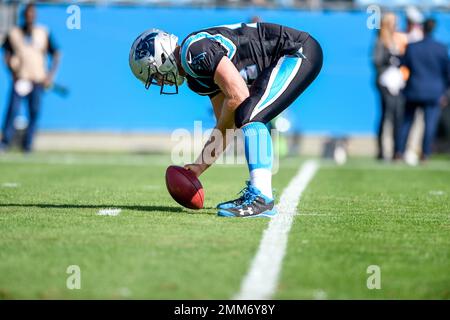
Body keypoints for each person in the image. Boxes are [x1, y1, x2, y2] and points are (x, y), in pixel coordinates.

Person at [129, 22, 323, 217]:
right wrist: (198, 166)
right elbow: (226, 125)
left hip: (296, 52)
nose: (160, 81)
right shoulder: (195, 78)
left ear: (161, 56)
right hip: (289, 55)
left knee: (249, 113)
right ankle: (260, 195)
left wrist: (231, 121)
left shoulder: (193, 51)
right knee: (247, 113)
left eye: (155, 75)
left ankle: (261, 198)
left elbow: (238, 96)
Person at [0, 3, 60, 153]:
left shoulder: (43, 32)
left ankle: (28, 145)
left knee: (34, 113)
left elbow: (56, 53)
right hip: (20, 79)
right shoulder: (14, 33)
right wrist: (12, 72)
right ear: (23, 16)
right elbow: (6, 54)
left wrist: (49, 75)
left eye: (32, 14)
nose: (30, 17)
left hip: (37, 81)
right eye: (27, 14)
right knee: (12, 111)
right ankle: (5, 142)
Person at [397, 18, 450, 161]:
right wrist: (445, 92)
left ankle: (399, 152)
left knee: (407, 122)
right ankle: (425, 153)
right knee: (430, 124)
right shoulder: (441, 48)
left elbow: (401, 64)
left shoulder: (412, 47)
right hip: (434, 92)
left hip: (414, 89)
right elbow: (447, 72)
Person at [372, 12, 407, 160]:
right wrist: (389, 60)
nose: (396, 25)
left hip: (398, 83)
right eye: (393, 22)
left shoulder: (397, 39)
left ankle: (396, 150)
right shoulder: (380, 41)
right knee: (386, 115)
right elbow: (377, 61)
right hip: (385, 83)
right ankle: (381, 150)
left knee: (398, 116)